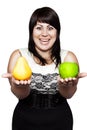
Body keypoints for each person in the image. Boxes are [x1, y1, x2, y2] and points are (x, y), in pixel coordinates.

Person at [2, 6, 87, 130]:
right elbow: (20, 95)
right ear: (31, 31)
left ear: (57, 32)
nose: (44, 34)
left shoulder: (68, 57)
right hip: (24, 119)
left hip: (60, 119)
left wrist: (66, 86)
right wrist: (21, 87)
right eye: (38, 28)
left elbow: (68, 95)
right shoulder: (19, 56)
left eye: (50, 28)